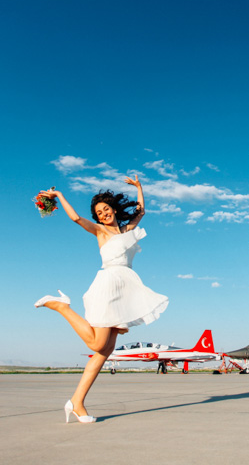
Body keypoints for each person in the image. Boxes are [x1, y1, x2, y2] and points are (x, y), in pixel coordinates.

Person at [34, 176, 168, 423]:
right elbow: (75, 218)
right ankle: (62, 307)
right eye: (99, 212)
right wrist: (60, 196)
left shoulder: (126, 230)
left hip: (125, 289)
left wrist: (139, 188)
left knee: (104, 351)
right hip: (108, 285)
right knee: (97, 346)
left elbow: (141, 212)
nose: (104, 213)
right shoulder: (100, 231)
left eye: (106, 209)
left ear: (114, 209)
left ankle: (77, 402)